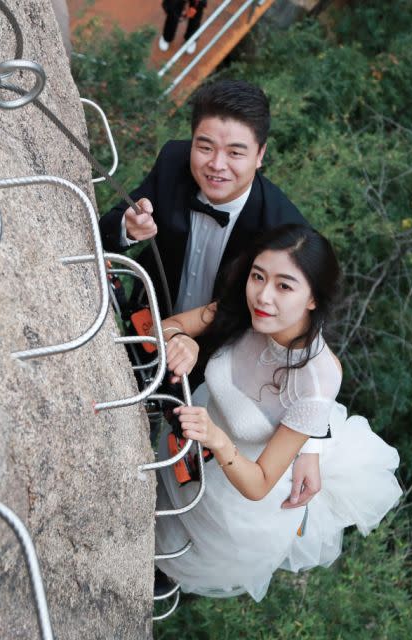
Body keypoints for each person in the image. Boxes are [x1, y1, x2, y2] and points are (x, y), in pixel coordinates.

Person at [99, 79, 321, 509]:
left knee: (181, 481)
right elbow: (106, 229)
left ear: (261, 155)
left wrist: (310, 444)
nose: (217, 165)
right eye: (206, 147)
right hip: (148, 319)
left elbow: (305, 335)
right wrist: (128, 227)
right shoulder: (173, 161)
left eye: (236, 152)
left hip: (217, 367)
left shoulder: (283, 230)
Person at [154, 224, 402, 601]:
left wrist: (217, 439)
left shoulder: (315, 382)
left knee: (166, 554)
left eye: (284, 286)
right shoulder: (244, 311)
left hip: (232, 493)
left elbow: (260, 483)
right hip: (187, 436)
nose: (263, 296)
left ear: (313, 298)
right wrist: (181, 339)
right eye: (258, 276)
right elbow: (169, 326)